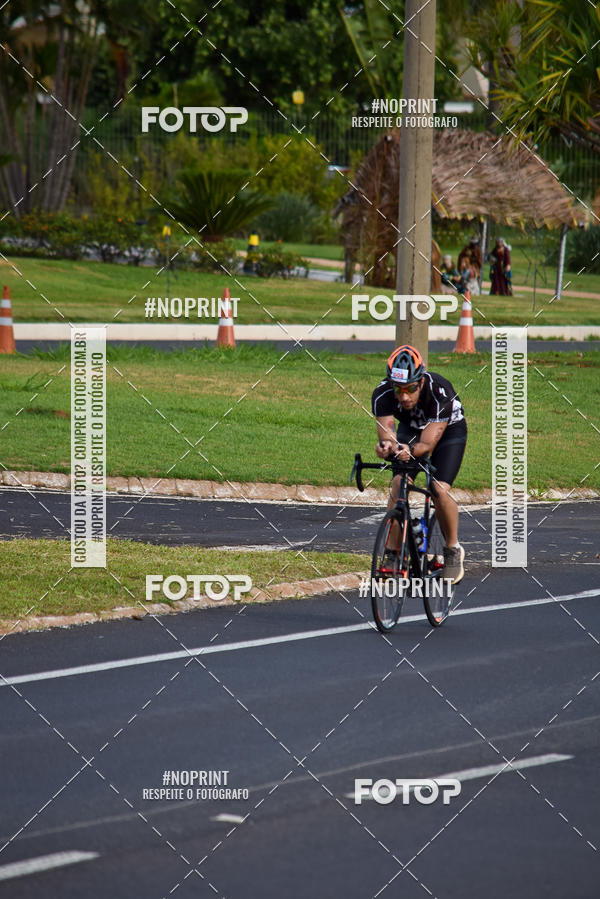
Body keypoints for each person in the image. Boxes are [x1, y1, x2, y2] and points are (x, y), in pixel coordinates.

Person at [371, 345, 467, 583]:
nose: (403, 396)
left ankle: (453, 549)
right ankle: (393, 555)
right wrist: (387, 448)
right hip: (412, 429)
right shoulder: (382, 395)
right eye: (398, 389)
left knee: (438, 489)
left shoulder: (439, 392)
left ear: (421, 382)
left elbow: (426, 446)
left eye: (410, 389)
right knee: (398, 483)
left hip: (446, 433)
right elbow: (388, 437)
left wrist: (409, 450)